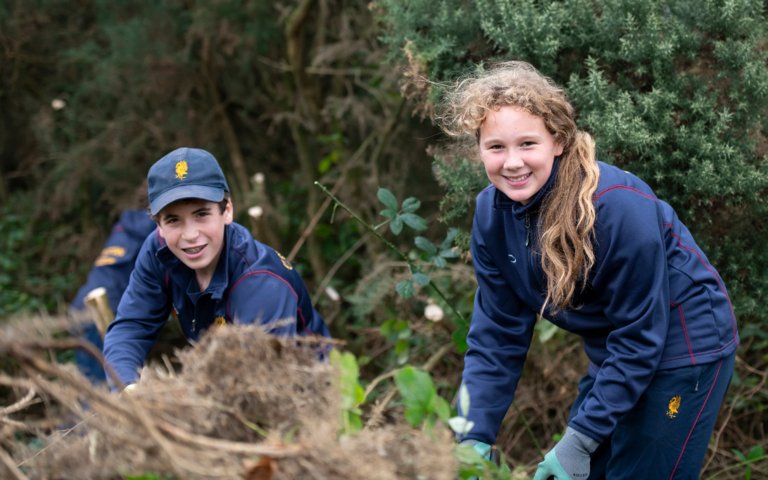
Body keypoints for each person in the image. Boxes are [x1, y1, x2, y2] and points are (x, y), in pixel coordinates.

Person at [438, 61, 739, 479]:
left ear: (557, 140)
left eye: (528, 144)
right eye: (495, 147)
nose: (512, 163)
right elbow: (496, 337)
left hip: (682, 347)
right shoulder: (491, 216)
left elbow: (640, 334)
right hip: (615, 349)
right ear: (479, 149)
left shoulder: (616, 208)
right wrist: (473, 436)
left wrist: (579, 439)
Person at [103, 147, 330, 388]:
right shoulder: (158, 253)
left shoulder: (260, 281)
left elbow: (259, 387)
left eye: (201, 214)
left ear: (227, 210)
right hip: (224, 382)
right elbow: (132, 326)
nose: (190, 235)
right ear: (158, 225)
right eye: (173, 220)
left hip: (305, 394)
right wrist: (127, 388)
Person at [69, 191, 157, 383]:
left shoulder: (126, 226)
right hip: (101, 310)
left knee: (93, 380)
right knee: (106, 384)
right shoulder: (154, 227)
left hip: (80, 308)